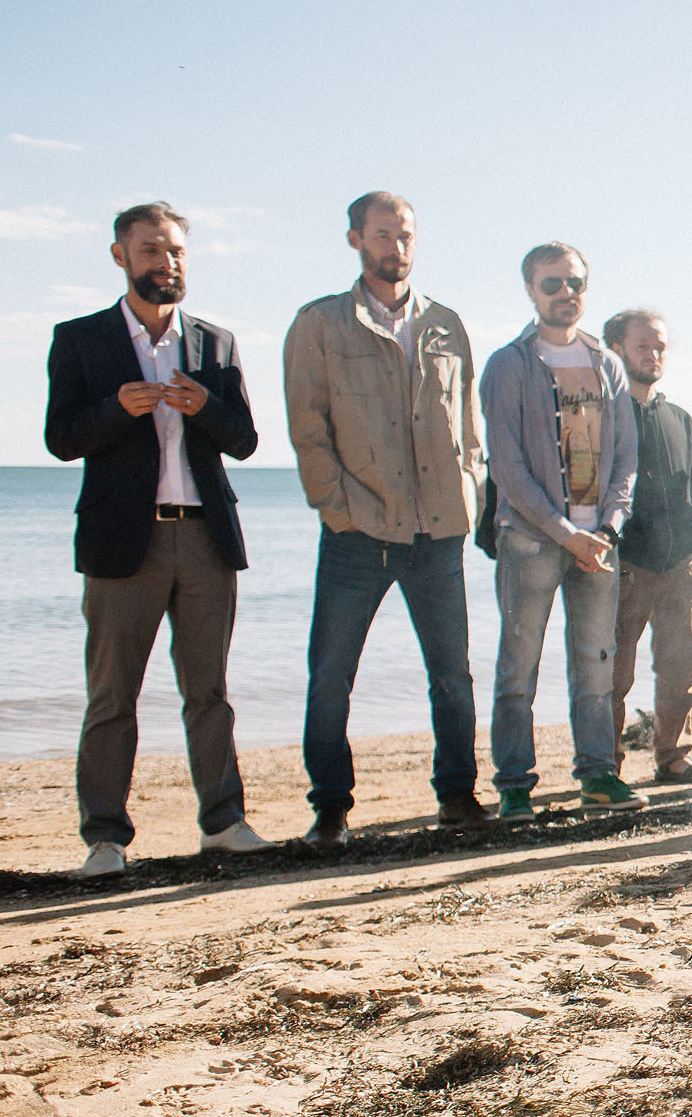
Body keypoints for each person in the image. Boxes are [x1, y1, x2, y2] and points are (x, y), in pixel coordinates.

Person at [43, 202, 272, 876]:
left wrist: (205, 408)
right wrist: (117, 408)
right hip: (123, 543)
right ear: (121, 256)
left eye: (174, 251)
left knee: (210, 691)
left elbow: (247, 441)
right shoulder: (81, 338)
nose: (164, 263)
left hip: (205, 538)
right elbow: (60, 439)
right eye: (150, 251)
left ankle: (224, 822)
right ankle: (106, 838)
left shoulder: (215, 343)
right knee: (113, 695)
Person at [283, 191, 492, 851]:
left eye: (403, 235)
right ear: (355, 240)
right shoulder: (318, 325)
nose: (394, 247)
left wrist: (471, 494)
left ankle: (459, 795)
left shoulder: (448, 324)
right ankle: (331, 809)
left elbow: (467, 427)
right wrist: (337, 507)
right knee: (331, 675)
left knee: (452, 673)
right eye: (381, 235)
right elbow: (307, 429)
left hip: (439, 532)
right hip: (359, 533)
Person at [478, 242, 643, 822]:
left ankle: (598, 776)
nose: (564, 294)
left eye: (574, 283)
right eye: (552, 284)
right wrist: (563, 531)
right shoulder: (508, 365)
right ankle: (514, 784)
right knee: (518, 664)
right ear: (530, 288)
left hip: (599, 540)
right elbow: (508, 466)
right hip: (530, 539)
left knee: (596, 662)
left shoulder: (608, 364)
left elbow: (626, 457)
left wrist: (608, 527)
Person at [603, 308, 692, 786]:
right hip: (625, 566)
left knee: (680, 668)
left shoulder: (678, 417)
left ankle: (673, 757)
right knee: (613, 675)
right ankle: (605, 764)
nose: (653, 355)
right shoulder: (605, 415)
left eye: (660, 347)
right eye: (643, 345)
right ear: (617, 349)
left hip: (679, 566)